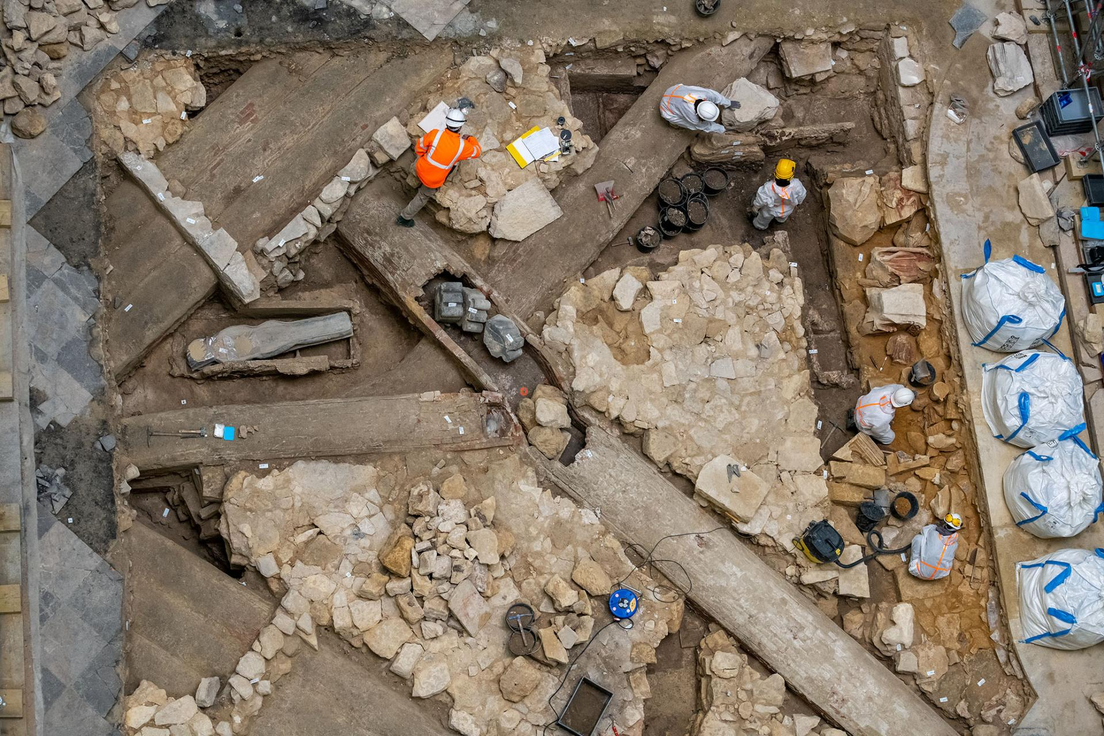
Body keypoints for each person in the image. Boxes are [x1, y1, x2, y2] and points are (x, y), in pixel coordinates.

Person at [397, 107, 482, 227]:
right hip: (433, 180)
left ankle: (417, 181)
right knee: (422, 196)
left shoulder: (435, 134)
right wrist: (470, 138)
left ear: (447, 123)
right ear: (460, 127)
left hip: (421, 169)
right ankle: (404, 218)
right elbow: (478, 151)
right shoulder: (463, 146)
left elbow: (419, 148)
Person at [750, 159, 807, 230]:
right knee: (783, 216)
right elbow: (802, 195)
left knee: (764, 217)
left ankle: (759, 226)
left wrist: (755, 207)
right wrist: (799, 203)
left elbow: (761, 199)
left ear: (775, 173)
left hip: (771, 210)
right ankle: (780, 220)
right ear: (791, 176)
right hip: (787, 209)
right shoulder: (797, 185)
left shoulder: (768, 187)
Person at [658, 83, 732, 134]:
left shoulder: (702, 94)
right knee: (690, 125)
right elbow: (706, 126)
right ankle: (673, 123)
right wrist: (722, 129)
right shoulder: (693, 117)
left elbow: (714, 96)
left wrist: (728, 102)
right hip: (666, 108)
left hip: (673, 90)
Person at [908, 513, 962, 581]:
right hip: (938, 576)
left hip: (918, 572)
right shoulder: (954, 544)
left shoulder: (933, 533)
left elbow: (923, 530)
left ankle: (914, 563)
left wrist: (934, 526)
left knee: (918, 538)